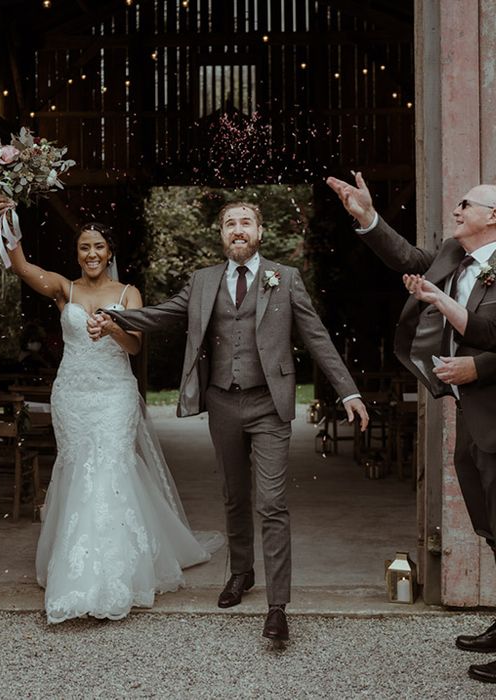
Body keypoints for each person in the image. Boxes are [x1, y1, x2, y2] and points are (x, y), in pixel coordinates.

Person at [90, 201, 369, 643]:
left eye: (245, 223)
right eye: (229, 224)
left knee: (271, 503)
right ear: (221, 234)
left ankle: (278, 607)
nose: (237, 230)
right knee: (235, 497)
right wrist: (116, 318)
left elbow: (317, 337)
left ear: (260, 231)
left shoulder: (286, 278)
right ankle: (241, 573)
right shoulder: (203, 281)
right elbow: (164, 314)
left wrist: (348, 390)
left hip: (269, 405)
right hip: (222, 403)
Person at [0, 196, 217, 624]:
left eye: (98, 246)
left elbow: (135, 346)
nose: (91, 254)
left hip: (115, 393)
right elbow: (21, 267)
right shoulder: (66, 289)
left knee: (111, 467)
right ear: (76, 254)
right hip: (73, 395)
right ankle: (76, 568)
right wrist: (9, 219)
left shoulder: (128, 293)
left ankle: (116, 574)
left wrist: (113, 327)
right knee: (78, 468)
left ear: (109, 252)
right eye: (84, 248)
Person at [327, 174, 496, 684]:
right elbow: (408, 258)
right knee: (489, 524)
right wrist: (367, 217)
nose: (458, 207)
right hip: (472, 415)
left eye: (467, 202)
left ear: (493, 216)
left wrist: (478, 368)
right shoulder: (453, 254)